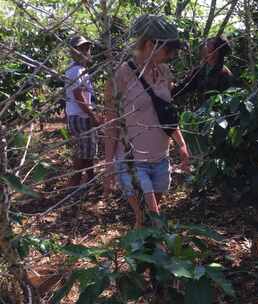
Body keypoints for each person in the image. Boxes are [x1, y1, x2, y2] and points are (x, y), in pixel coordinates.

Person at [103, 15, 190, 228]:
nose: (172, 55)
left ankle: (143, 257)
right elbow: (111, 122)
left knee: (144, 220)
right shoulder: (121, 75)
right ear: (150, 44)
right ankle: (158, 256)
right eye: (169, 50)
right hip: (133, 160)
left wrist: (182, 145)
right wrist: (108, 165)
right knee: (153, 216)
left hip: (161, 159)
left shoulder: (164, 73)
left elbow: (166, 114)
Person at [64, 35, 99, 190]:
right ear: (73, 51)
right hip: (81, 116)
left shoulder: (77, 69)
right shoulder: (76, 70)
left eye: (87, 48)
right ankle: (76, 183)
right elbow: (79, 96)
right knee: (83, 151)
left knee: (86, 150)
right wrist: (92, 115)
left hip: (77, 115)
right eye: (81, 48)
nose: (86, 51)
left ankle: (90, 180)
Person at [173, 35, 234, 110]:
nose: (204, 49)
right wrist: (168, 92)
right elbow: (185, 86)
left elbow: (226, 103)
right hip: (201, 113)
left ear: (217, 52)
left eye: (208, 47)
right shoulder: (201, 70)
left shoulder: (225, 74)